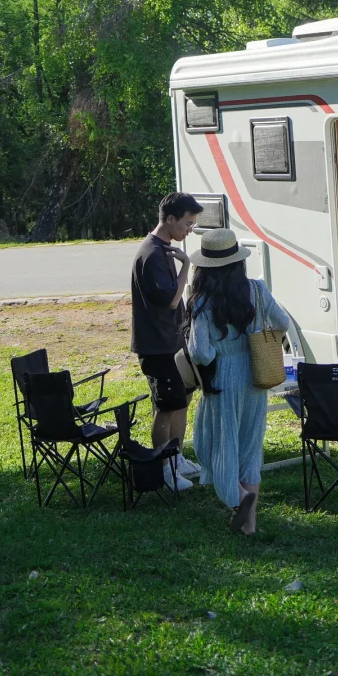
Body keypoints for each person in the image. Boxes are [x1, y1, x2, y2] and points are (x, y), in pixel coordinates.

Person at [186, 228, 291, 534]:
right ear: (238, 262)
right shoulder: (256, 289)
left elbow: (200, 352)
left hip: (223, 375)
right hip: (256, 372)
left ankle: (239, 498)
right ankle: (251, 526)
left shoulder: (203, 302)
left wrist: (220, 351)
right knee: (249, 446)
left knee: (217, 445)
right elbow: (282, 323)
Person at [130, 191, 203, 490]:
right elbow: (172, 301)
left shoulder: (164, 248)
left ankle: (177, 457)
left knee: (182, 400)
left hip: (174, 342)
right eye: (187, 223)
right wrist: (187, 265)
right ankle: (164, 469)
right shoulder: (151, 254)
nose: (190, 230)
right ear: (170, 219)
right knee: (166, 407)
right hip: (158, 346)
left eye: (193, 224)